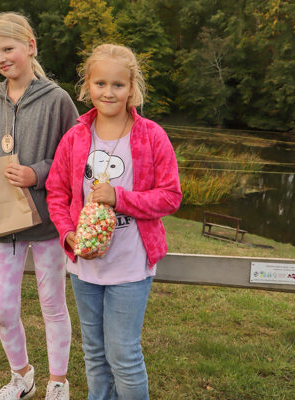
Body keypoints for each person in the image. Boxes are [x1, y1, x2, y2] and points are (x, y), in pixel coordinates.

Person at [46, 43, 182, 400]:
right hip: (85, 267)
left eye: (118, 85)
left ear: (131, 87)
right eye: (100, 83)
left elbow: (171, 196)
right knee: (94, 352)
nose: (108, 92)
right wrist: (68, 233)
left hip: (130, 264)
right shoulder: (75, 137)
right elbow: (57, 193)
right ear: (87, 86)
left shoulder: (151, 136)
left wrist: (120, 198)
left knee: (123, 354)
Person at [0, 12, 78, 400]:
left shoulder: (58, 100)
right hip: (4, 225)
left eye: (8, 49)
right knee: (2, 307)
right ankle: (22, 377)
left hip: (48, 222)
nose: (1, 59)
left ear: (30, 46)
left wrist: (37, 173)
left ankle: (58, 382)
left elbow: (73, 157)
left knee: (53, 305)